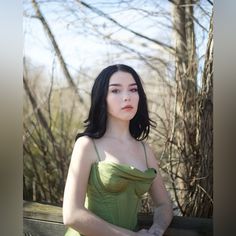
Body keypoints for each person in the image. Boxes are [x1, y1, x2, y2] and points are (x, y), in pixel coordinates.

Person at [63, 64, 173, 236]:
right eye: (115, 91)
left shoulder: (144, 150)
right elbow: (71, 215)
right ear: (102, 98)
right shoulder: (87, 145)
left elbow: (164, 204)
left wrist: (157, 230)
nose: (127, 97)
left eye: (133, 89)